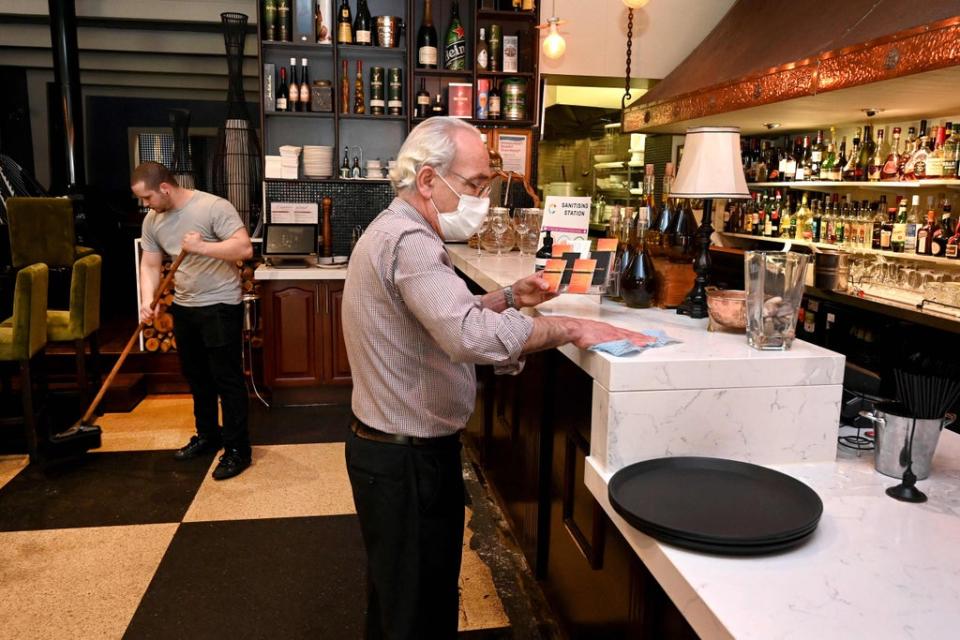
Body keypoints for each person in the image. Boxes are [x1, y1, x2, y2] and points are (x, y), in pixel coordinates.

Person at [342, 117, 654, 639]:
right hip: (406, 461)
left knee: (398, 597)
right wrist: (570, 326)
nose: (481, 199)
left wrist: (510, 298)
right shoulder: (412, 242)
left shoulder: (397, 230)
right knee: (418, 611)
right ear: (427, 181)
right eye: (473, 185)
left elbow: (436, 318)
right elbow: (469, 338)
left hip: (390, 452)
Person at [131, 162, 254, 480]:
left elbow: (244, 247)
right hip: (184, 306)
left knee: (226, 379)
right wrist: (148, 299)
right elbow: (149, 264)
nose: (146, 205)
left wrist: (202, 247)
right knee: (197, 377)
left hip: (220, 305)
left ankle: (237, 449)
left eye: (148, 198)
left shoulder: (213, 207)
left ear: (165, 189)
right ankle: (208, 436)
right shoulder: (153, 220)